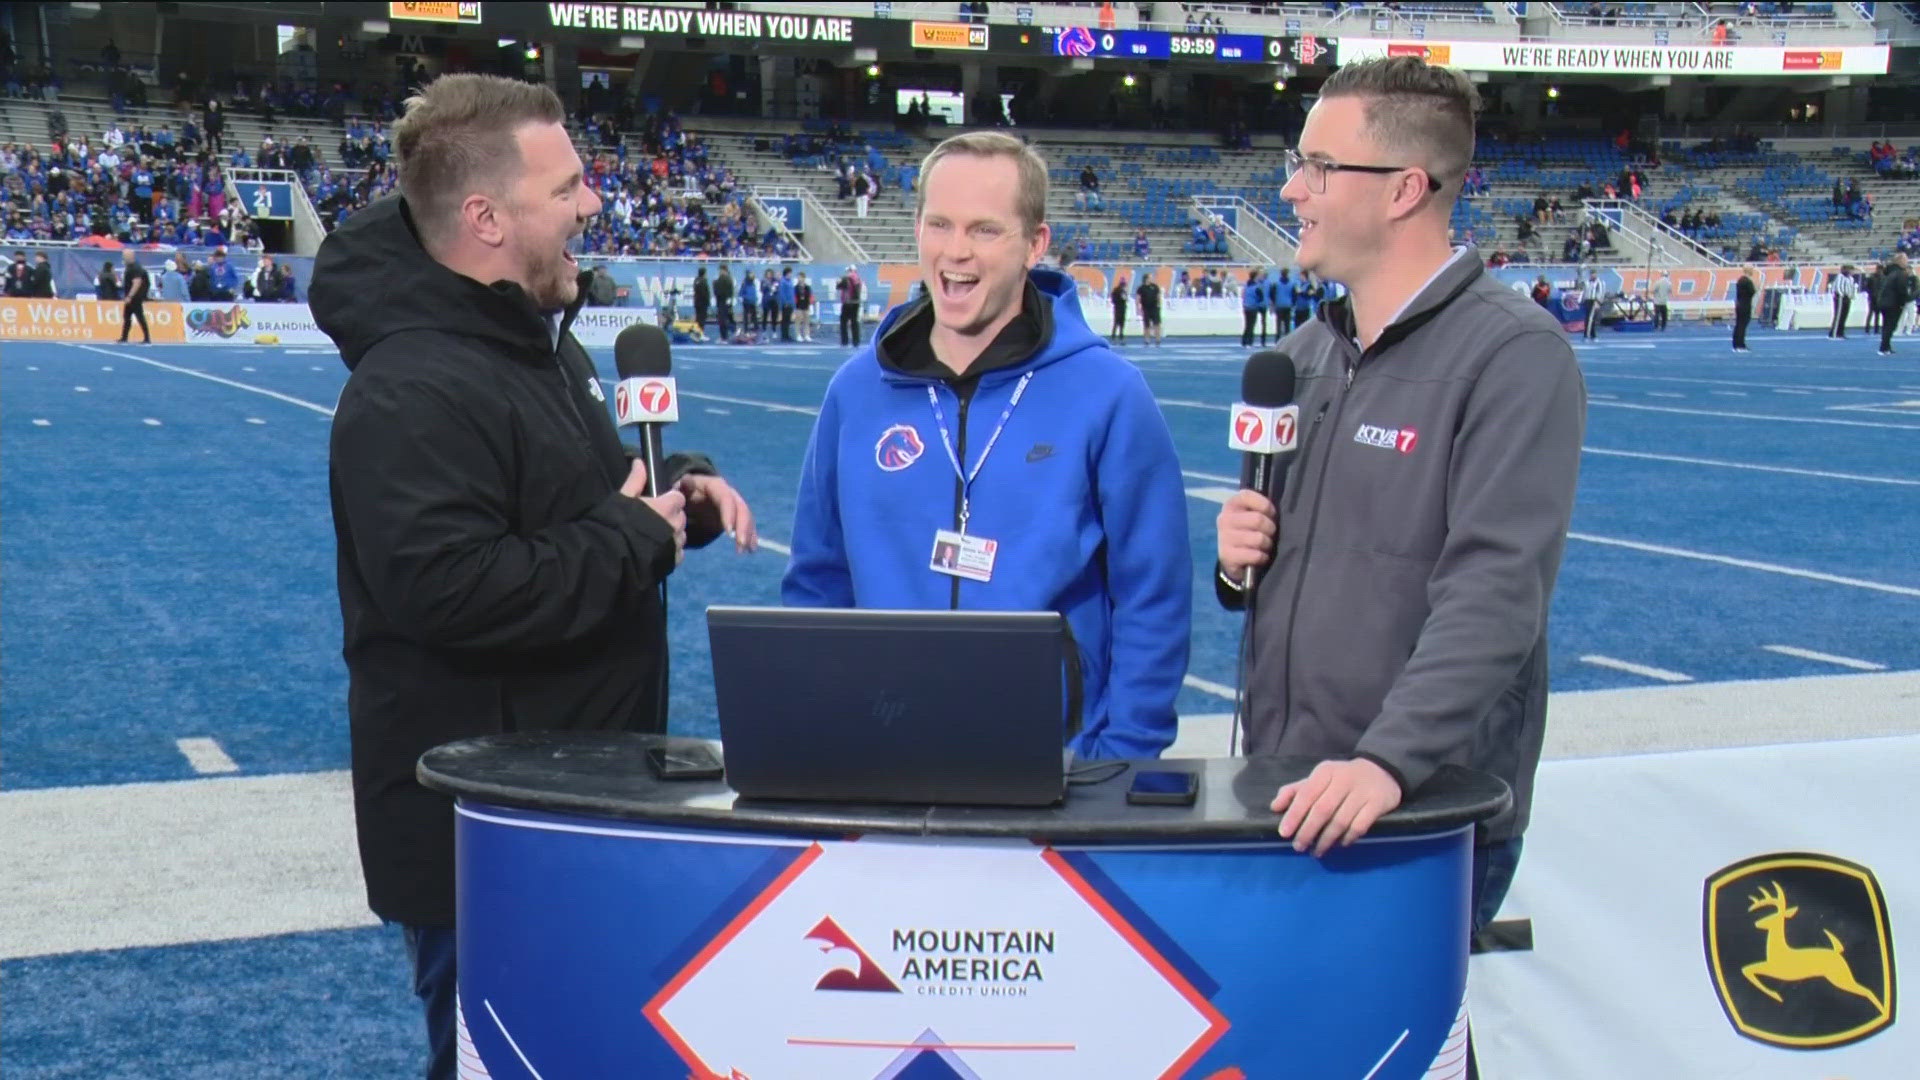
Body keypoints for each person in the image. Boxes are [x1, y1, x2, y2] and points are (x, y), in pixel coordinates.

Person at [308, 74, 759, 1080]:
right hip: (486, 832)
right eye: (566, 188)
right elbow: (451, 589)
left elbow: (579, 497)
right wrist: (634, 538)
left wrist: (676, 490)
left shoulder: (529, 345)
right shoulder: (411, 385)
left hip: (568, 799)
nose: (592, 204)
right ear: (485, 217)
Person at [1212, 59, 1584, 1074]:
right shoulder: (1304, 352)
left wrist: (1387, 762)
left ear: (1405, 187)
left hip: (1415, 805)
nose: (1292, 188)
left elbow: (1498, 590)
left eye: (1318, 166)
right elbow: (1309, 564)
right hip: (1289, 785)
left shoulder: (1513, 354)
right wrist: (1240, 559)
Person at [784, 131, 1191, 761]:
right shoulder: (855, 393)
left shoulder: (1108, 393)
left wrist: (1123, 759)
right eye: (939, 224)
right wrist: (830, 730)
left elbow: (1152, 592)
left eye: (984, 230)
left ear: (1036, 244)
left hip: (1058, 768)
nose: (956, 252)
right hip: (881, 754)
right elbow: (818, 580)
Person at [1875, 253, 1915, 355]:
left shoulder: (1889, 273)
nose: (1907, 262)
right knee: (1890, 326)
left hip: (1884, 302)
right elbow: (1901, 290)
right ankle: (1884, 348)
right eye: (1905, 260)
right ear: (1900, 261)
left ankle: (1886, 346)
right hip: (1892, 303)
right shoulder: (1900, 273)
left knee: (1886, 325)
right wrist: (1906, 299)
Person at [118, 248, 150, 343]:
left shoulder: (136, 268)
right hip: (131, 296)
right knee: (127, 316)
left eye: (124, 256)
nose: (123, 258)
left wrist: (130, 296)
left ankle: (147, 337)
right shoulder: (129, 267)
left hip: (135, 297)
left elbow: (137, 283)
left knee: (139, 316)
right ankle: (124, 337)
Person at [837, 264, 864, 347]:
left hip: (848, 302)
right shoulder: (858, 279)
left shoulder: (847, 278)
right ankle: (856, 341)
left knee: (843, 322)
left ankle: (844, 341)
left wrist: (838, 282)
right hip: (856, 302)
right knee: (854, 322)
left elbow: (839, 286)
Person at [1829, 264, 1856, 340]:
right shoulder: (1840, 277)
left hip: (1847, 298)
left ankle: (1840, 332)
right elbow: (1837, 287)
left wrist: (1851, 296)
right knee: (1838, 315)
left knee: (1844, 315)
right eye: (1851, 270)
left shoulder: (1851, 279)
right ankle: (1834, 333)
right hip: (1840, 297)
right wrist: (1841, 294)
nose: (1852, 272)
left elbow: (1851, 288)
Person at [1135, 273, 1162, 347]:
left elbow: (1158, 296)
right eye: (1150, 277)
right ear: (1146, 279)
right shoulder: (1141, 288)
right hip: (1146, 308)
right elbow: (1138, 298)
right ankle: (1147, 340)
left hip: (1154, 308)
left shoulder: (1155, 287)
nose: (1152, 279)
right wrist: (1138, 308)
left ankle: (1157, 339)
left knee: (1157, 324)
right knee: (1146, 325)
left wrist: (1159, 304)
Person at [1732, 266, 1755, 352]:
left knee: (1738, 325)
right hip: (1745, 305)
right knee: (1742, 325)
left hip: (1739, 304)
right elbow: (1752, 292)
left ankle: (1736, 344)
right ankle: (1740, 345)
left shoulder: (1740, 280)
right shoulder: (1747, 281)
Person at [1241, 266, 1265, 347]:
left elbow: (1243, 295)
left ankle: (1244, 340)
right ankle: (1250, 341)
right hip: (1253, 307)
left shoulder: (1246, 285)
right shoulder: (1257, 287)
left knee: (1247, 324)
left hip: (1246, 307)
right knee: (1252, 325)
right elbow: (1261, 298)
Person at [713, 262, 735, 339]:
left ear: (723, 270)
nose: (719, 271)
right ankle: (728, 334)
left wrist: (715, 283)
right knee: (727, 318)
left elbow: (719, 290)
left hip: (722, 301)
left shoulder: (723, 279)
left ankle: (724, 336)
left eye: (720, 270)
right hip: (725, 301)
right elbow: (731, 291)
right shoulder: (728, 278)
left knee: (722, 319)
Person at [794, 269, 814, 342]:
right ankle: (798, 335)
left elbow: (810, 296)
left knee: (807, 321)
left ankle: (807, 335)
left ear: (803, 278)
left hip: (806, 305)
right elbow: (794, 297)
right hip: (798, 305)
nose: (799, 279)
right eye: (798, 277)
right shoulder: (796, 287)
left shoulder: (807, 287)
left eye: (800, 277)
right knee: (798, 321)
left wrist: (810, 304)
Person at [777, 266, 796, 342]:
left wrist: (793, 303)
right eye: (790, 273)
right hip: (786, 304)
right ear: (786, 274)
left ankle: (787, 334)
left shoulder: (790, 282)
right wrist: (785, 302)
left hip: (790, 303)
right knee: (785, 320)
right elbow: (782, 294)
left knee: (788, 320)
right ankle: (784, 335)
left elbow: (792, 294)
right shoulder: (783, 282)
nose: (791, 275)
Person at [1109, 273, 1128, 342]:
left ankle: (1117, 334)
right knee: (1118, 321)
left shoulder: (1118, 290)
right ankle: (1117, 335)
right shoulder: (1119, 291)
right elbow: (1123, 299)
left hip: (1119, 307)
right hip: (1119, 307)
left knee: (1119, 322)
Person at [692, 266, 710, 331]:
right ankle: (700, 333)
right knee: (702, 319)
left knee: (698, 318)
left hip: (697, 302)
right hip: (702, 303)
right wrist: (708, 301)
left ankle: (697, 332)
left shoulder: (696, 280)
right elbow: (705, 293)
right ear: (704, 273)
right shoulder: (703, 281)